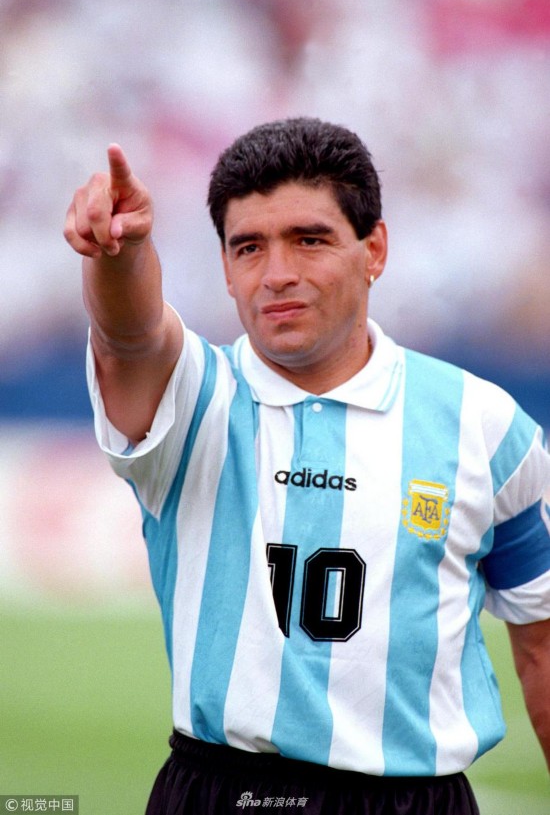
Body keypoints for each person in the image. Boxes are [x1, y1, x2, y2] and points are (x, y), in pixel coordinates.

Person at [64, 117, 550, 815]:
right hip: (221, 793)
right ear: (225, 268)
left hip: (416, 800)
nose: (278, 274)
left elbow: (541, 646)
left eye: (310, 240)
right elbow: (129, 335)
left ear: (374, 248)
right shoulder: (193, 399)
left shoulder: (485, 424)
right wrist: (119, 253)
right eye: (249, 247)